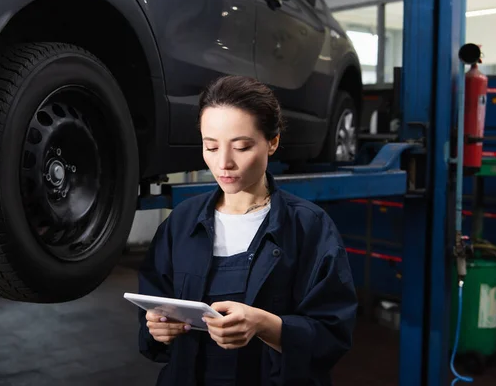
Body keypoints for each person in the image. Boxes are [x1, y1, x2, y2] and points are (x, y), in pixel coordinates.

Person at [137, 75, 358, 386]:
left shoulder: (310, 228)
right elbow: (153, 301)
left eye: (241, 146)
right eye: (210, 146)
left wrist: (267, 325)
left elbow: (334, 333)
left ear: (273, 141)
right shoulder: (182, 222)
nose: (223, 163)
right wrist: (156, 328)